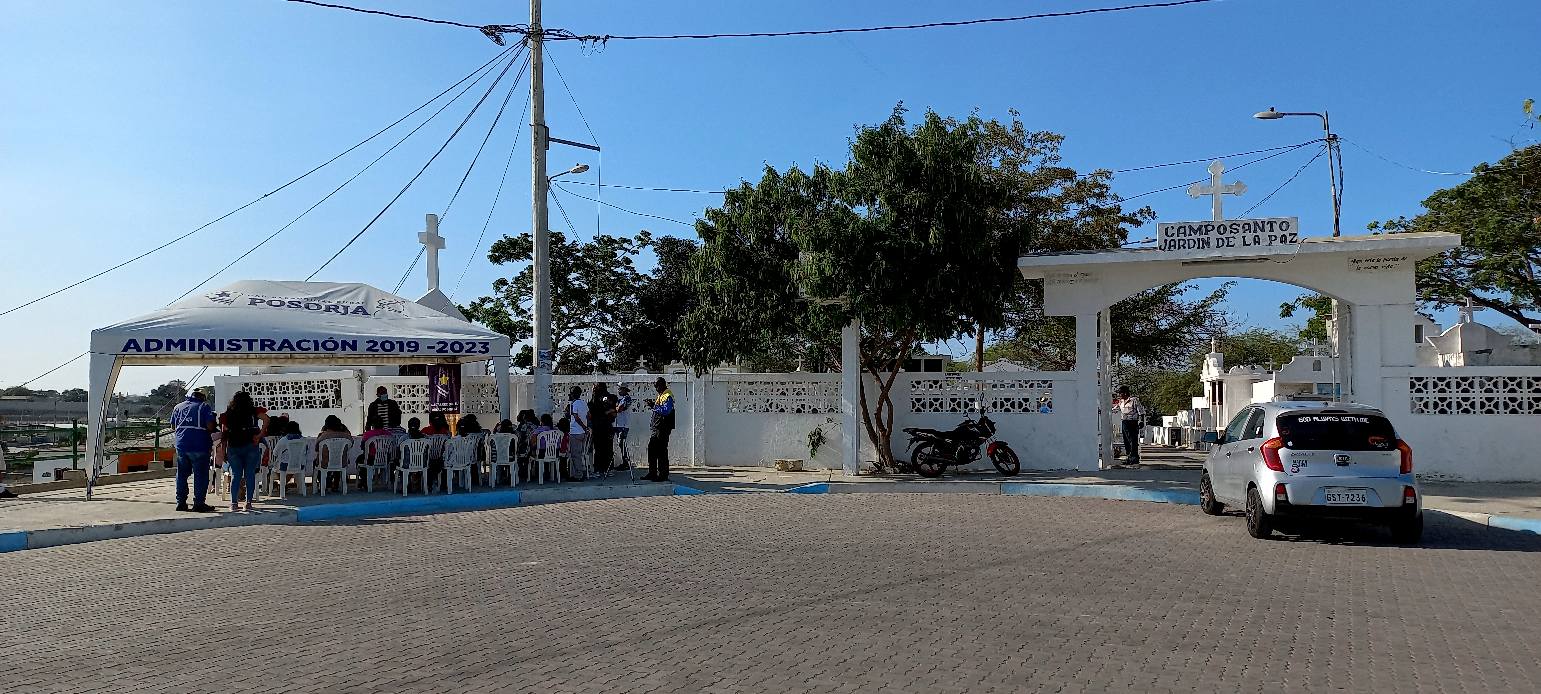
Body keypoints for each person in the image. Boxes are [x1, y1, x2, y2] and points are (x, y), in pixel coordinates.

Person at [170, 388, 218, 513]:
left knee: (181, 475)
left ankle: (181, 503)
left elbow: (173, 426)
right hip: (200, 446)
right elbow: (210, 426)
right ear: (203, 397)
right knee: (200, 475)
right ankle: (199, 504)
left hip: (181, 445)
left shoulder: (178, 407)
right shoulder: (204, 407)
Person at [222, 391, 269, 512]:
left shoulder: (229, 413)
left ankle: (234, 503)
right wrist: (260, 435)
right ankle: (248, 503)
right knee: (250, 475)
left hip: (234, 446)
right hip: (251, 445)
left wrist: (223, 451)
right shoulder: (253, 411)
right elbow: (266, 419)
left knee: (236, 475)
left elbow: (224, 433)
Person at [644, 377, 675, 482]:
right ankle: (652, 473)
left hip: (663, 427)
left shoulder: (667, 395)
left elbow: (666, 411)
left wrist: (653, 405)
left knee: (661, 451)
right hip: (657, 427)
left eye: (656, 386)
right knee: (652, 450)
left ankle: (663, 475)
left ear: (661, 385)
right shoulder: (661, 395)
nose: (656, 388)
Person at [589, 384, 618, 476]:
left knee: (598, 449)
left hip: (598, 427)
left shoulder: (595, 400)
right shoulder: (610, 398)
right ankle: (608, 469)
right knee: (608, 448)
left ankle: (599, 469)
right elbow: (614, 412)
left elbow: (591, 413)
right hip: (607, 426)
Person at [564, 386, 591, 479]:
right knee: (580, 453)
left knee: (575, 455)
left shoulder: (574, 404)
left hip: (575, 432)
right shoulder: (584, 403)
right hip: (583, 433)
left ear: (572, 394)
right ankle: (579, 472)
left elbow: (576, 417)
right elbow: (589, 416)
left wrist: (583, 426)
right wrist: (586, 426)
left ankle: (578, 475)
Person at [1116, 385, 1143, 467]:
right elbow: (1115, 409)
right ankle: (1129, 456)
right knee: (1126, 440)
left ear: (1125, 393)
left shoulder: (1134, 400)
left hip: (1132, 422)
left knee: (1132, 440)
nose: (1119, 395)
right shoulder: (1121, 402)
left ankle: (1134, 458)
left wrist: (1141, 421)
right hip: (1124, 422)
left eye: (1120, 393)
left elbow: (1141, 411)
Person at [613, 384, 634, 471]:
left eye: (620, 389)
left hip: (624, 425)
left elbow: (619, 409)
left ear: (624, 389)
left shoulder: (627, 399)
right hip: (619, 424)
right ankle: (624, 462)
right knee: (620, 444)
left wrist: (614, 408)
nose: (618, 391)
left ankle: (626, 463)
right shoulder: (621, 399)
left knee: (622, 443)